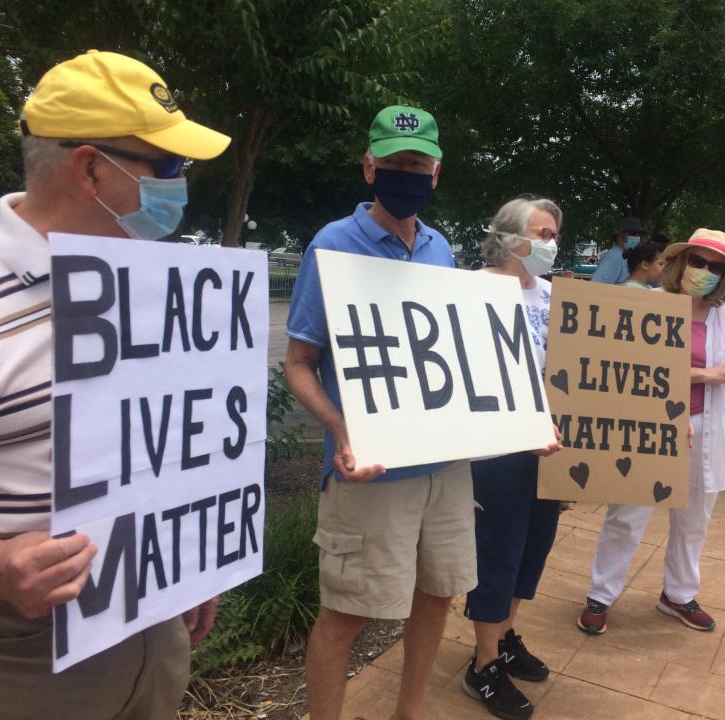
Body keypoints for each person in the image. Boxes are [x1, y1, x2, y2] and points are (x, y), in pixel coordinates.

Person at [0, 50, 229, 719]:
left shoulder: (157, 284)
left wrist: (188, 557)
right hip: (20, 659)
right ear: (90, 168)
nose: (182, 186)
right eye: (168, 168)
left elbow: (170, 436)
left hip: (152, 635)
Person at [285, 106, 561, 720]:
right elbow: (299, 362)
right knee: (347, 615)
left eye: (418, 163)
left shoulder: (440, 249)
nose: (407, 174)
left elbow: (462, 361)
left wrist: (524, 418)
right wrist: (341, 428)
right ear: (369, 166)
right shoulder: (332, 244)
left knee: (438, 595)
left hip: (446, 468)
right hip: (374, 471)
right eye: (394, 163)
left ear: (435, 173)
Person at [577, 229, 725, 635]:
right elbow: (628, 368)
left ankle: (678, 594)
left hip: (706, 427)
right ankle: (600, 595)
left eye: (715, 267)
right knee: (627, 515)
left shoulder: (724, 316)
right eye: (698, 261)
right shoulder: (646, 306)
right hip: (650, 426)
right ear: (681, 263)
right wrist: (702, 373)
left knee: (694, 520)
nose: (705, 271)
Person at [462, 197, 564, 720]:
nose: (550, 243)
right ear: (507, 235)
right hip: (497, 450)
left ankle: (502, 637)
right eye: (540, 232)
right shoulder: (473, 289)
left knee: (533, 550)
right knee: (498, 553)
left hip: (551, 448)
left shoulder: (556, 296)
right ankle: (483, 665)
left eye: (554, 234)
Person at [591, 217, 646, 285]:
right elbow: (597, 285)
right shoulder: (614, 258)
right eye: (633, 233)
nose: (638, 237)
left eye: (639, 234)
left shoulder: (624, 256)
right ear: (620, 235)